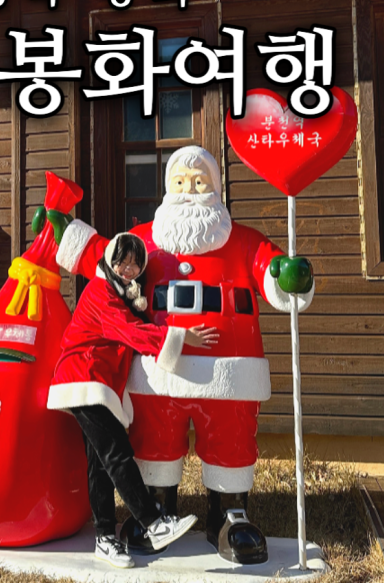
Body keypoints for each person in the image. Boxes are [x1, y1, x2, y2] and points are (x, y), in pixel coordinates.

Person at [52, 145, 315, 565]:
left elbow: (270, 268)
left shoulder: (242, 241)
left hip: (230, 369)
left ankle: (229, 513)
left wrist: (287, 276)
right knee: (154, 439)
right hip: (161, 371)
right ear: (167, 188)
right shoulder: (145, 242)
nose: (190, 190)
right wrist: (64, 232)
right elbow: (104, 256)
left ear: (216, 187)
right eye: (180, 182)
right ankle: (157, 505)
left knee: (230, 437)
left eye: (198, 181)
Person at [47, 232, 219, 569]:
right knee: (117, 452)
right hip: (84, 377)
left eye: (135, 263)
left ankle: (104, 538)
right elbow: (130, 331)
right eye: (122, 261)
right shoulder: (101, 293)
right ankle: (153, 523)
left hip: (93, 380)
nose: (128, 268)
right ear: (110, 261)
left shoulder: (121, 293)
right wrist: (182, 337)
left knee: (100, 462)